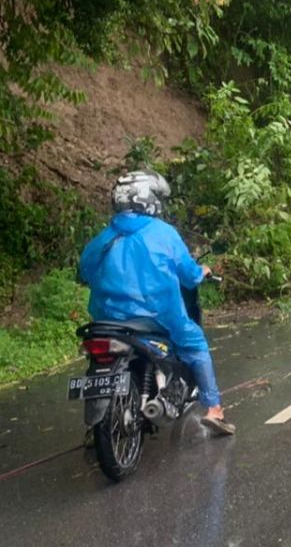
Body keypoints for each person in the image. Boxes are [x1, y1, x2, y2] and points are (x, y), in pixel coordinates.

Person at [79, 170, 235, 436]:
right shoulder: (164, 233)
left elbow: (85, 273)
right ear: (150, 199)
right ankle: (213, 409)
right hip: (157, 315)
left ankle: (99, 422)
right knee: (195, 343)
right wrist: (202, 272)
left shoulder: (104, 237)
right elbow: (188, 274)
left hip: (107, 318)